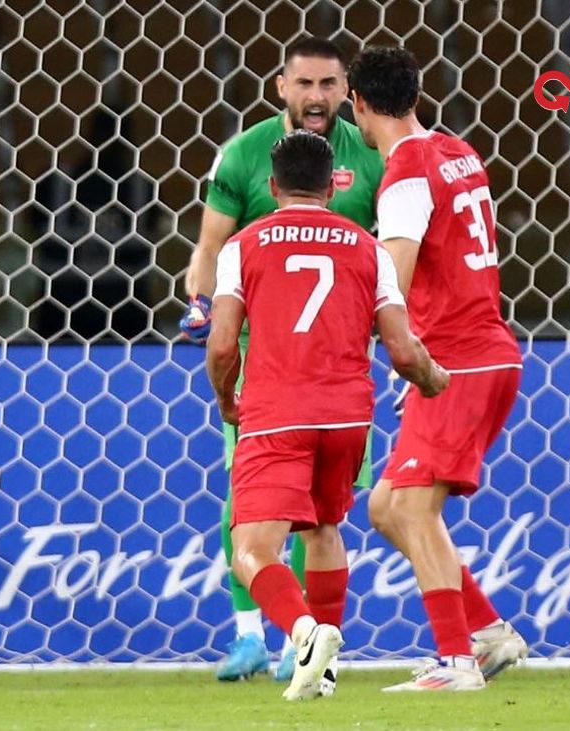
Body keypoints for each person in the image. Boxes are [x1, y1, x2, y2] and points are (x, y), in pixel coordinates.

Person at [206, 130, 448, 700]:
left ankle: (304, 633)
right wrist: (433, 379)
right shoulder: (369, 248)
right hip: (346, 418)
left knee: (251, 550)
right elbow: (403, 349)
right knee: (323, 529)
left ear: (272, 187)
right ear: (332, 188)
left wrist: (226, 399)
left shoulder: (242, 246)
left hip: (275, 414)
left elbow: (221, 345)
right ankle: (326, 669)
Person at [179, 37, 386, 681]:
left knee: (319, 514)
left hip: (339, 355)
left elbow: (397, 243)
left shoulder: (370, 155)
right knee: (248, 502)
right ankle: (251, 637)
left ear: (347, 90)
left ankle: (308, 648)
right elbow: (209, 248)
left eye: (328, 84)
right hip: (262, 358)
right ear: (281, 87)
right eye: (305, 84)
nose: (316, 97)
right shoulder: (244, 153)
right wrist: (201, 301)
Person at [347, 46, 529, 692]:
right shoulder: (458, 151)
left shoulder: (405, 172)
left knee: (413, 508)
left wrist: (386, 352)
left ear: (358, 105)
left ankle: (457, 660)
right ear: (417, 96)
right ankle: (489, 632)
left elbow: (391, 285)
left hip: (456, 361)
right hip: (487, 352)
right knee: (387, 506)